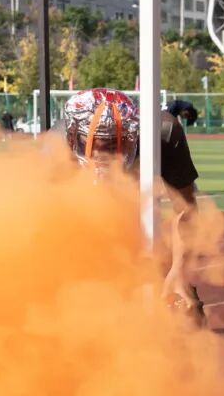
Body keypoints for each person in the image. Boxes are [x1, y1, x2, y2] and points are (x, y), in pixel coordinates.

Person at [62, 88, 205, 323]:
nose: (101, 155)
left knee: (183, 313)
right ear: (73, 136)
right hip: (85, 230)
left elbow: (186, 209)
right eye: (95, 145)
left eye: (111, 146)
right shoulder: (57, 146)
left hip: (141, 224)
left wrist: (178, 271)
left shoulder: (164, 133)